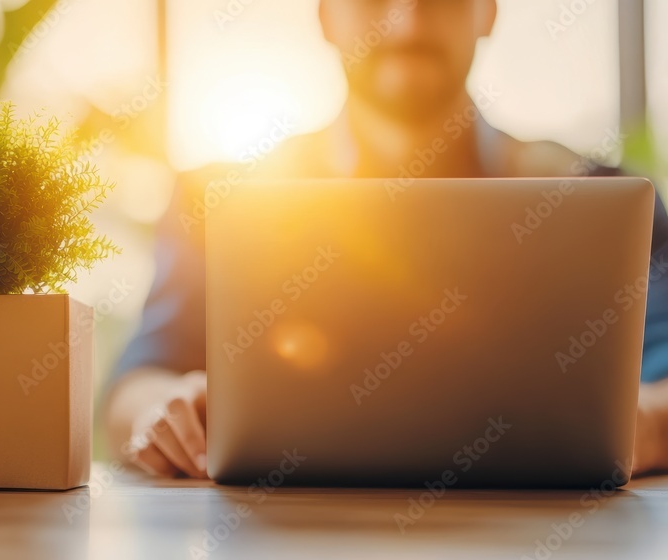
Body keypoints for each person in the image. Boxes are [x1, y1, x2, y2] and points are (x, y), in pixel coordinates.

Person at [103, 0, 668, 478]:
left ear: (488, 11)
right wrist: (161, 410)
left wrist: (643, 426)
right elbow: (138, 378)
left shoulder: (599, 201)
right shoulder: (217, 201)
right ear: (326, 15)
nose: (407, 24)